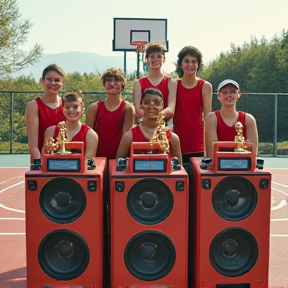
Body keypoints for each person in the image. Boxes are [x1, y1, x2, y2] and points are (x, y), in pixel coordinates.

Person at [116, 88, 182, 164]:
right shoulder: (129, 136)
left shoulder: (172, 138)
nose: (151, 105)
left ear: (162, 106)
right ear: (141, 105)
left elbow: (179, 169)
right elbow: (118, 166)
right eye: (147, 102)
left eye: (157, 103)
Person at [173, 46, 213, 164]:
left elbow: (207, 118)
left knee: (197, 181)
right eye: (187, 61)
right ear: (181, 64)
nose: (190, 64)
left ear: (198, 65)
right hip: (176, 144)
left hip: (198, 145)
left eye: (194, 61)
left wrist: (208, 148)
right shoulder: (174, 84)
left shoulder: (205, 86)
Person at [85, 68, 134, 159]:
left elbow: (127, 136)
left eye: (116, 80)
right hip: (96, 156)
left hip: (117, 156)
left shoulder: (128, 108)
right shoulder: (94, 108)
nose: (112, 84)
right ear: (104, 84)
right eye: (108, 80)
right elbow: (87, 136)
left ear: (122, 84)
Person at [25, 64, 66, 168]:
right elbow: (33, 144)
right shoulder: (34, 106)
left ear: (62, 83)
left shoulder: (67, 105)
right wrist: (39, 164)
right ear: (42, 81)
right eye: (49, 79)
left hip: (65, 161)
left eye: (57, 80)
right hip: (42, 162)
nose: (53, 83)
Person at [205, 79, 258, 158]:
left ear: (238, 95)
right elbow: (211, 153)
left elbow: (253, 152)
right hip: (219, 167)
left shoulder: (249, 119)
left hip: (242, 166)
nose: (229, 95)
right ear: (219, 96)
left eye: (233, 92)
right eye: (225, 92)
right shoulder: (212, 118)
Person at [43, 90, 98, 158]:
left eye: (75, 107)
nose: (71, 110)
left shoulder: (91, 136)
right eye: (67, 107)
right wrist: (48, 150)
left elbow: (88, 164)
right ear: (62, 109)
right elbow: (45, 159)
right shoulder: (51, 132)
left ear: (82, 109)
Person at [133, 42, 177, 121]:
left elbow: (170, 110)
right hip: (144, 125)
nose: (156, 59)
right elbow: (138, 111)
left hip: (163, 126)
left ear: (164, 59)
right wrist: (153, 117)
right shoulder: (138, 83)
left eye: (159, 56)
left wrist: (156, 117)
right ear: (146, 60)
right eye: (152, 57)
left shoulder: (171, 82)